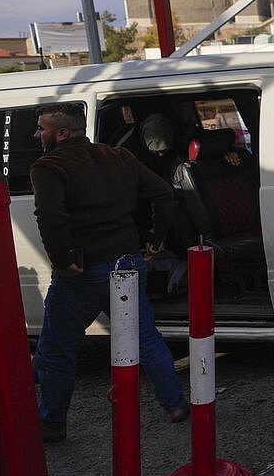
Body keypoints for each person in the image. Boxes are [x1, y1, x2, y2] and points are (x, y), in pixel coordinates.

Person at [28, 104, 187, 443]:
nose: (36, 134)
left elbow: (50, 217)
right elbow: (162, 193)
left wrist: (61, 260)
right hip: (128, 262)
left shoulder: (48, 167)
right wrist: (155, 238)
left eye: (41, 128)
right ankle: (175, 405)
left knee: (58, 348)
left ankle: (52, 423)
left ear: (61, 133)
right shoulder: (118, 156)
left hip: (84, 271)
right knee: (145, 337)